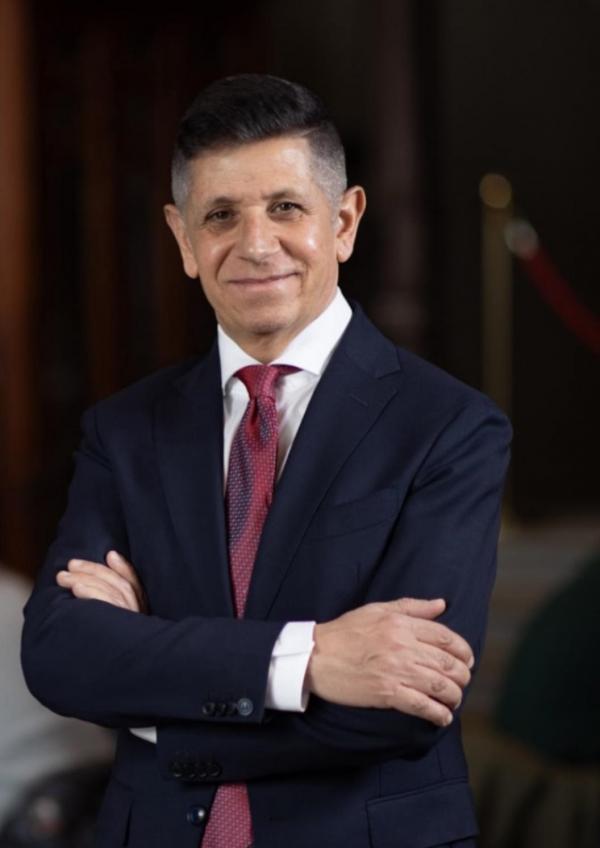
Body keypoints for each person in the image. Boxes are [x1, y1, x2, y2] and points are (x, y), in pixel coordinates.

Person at [22, 74, 511, 848]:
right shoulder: (123, 431)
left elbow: (404, 703)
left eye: (285, 207)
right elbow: (59, 656)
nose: (255, 244)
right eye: (221, 215)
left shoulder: (449, 428)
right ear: (183, 239)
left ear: (344, 221)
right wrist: (309, 658)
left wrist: (157, 704)